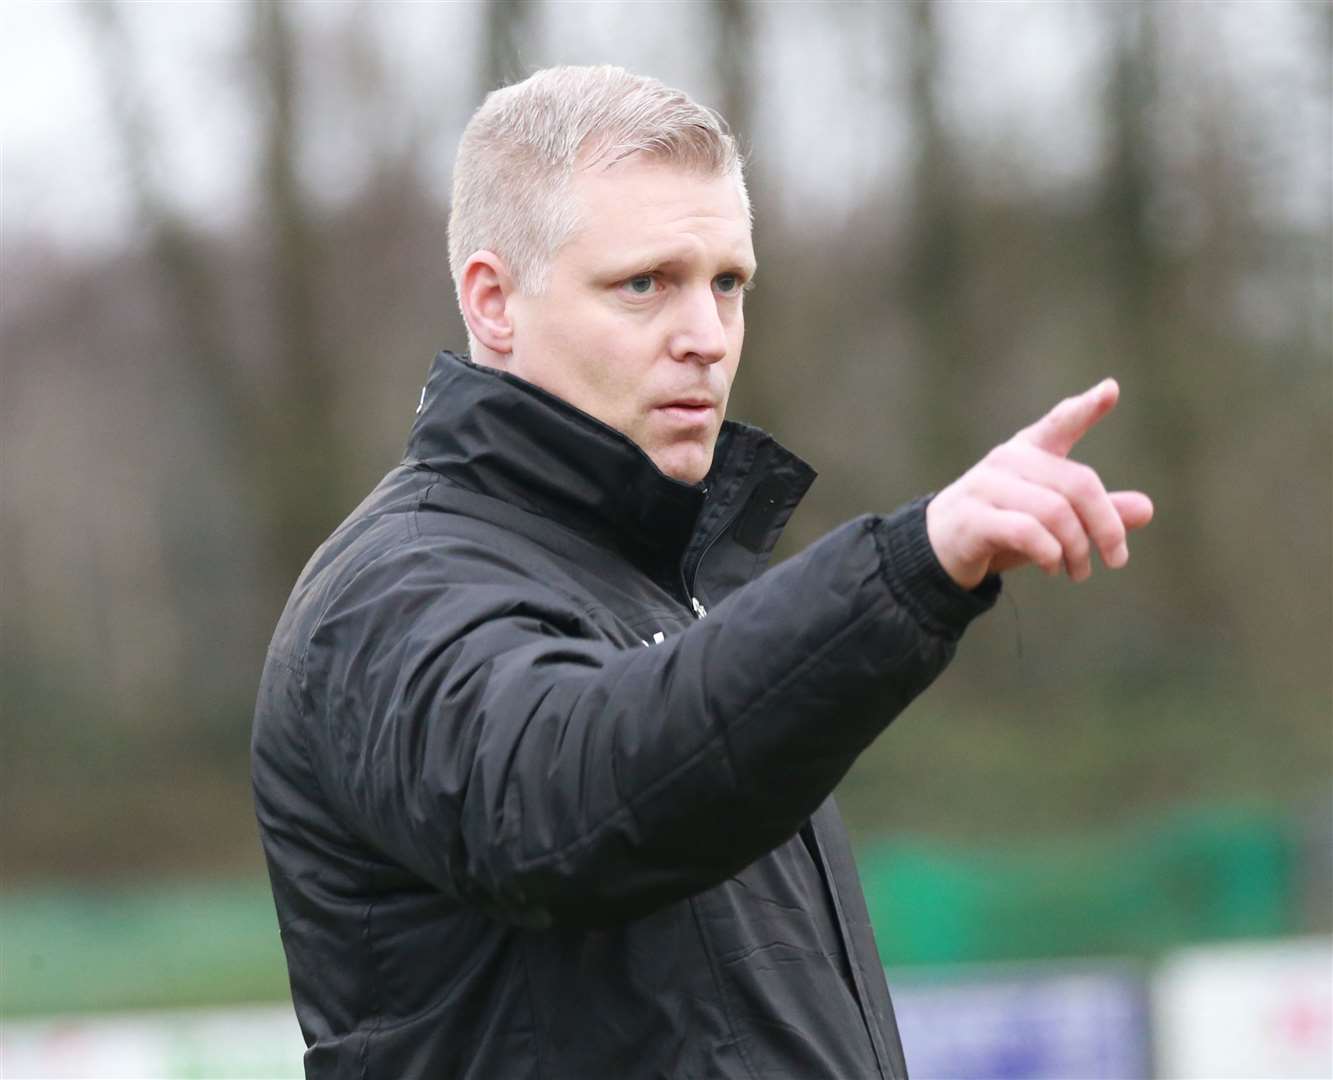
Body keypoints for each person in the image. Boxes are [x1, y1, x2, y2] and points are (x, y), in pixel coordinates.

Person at [251, 65, 1153, 1079]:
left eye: (728, 284)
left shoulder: (668, 591)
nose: (706, 338)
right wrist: (903, 571)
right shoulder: (389, 595)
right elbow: (565, 800)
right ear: (494, 302)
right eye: (646, 283)